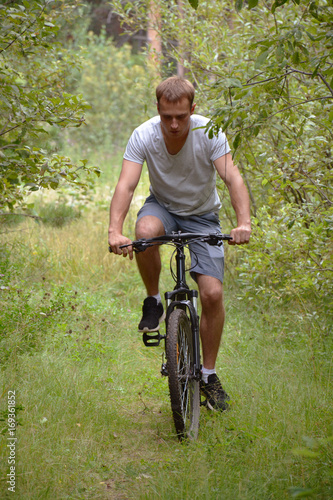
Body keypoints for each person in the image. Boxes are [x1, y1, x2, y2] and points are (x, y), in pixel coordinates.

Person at [108, 76, 251, 411]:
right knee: (144, 231)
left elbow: (233, 177)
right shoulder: (143, 134)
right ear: (157, 109)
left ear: (193, 110)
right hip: (165, 209)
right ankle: (154, 300)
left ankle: (209, 375)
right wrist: (115, 230)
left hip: (203, 216)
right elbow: (126, 185)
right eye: (166, 116)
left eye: (181, 116)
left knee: (212, 294)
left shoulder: (208, 132)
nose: (174, 124)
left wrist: (244, 222)